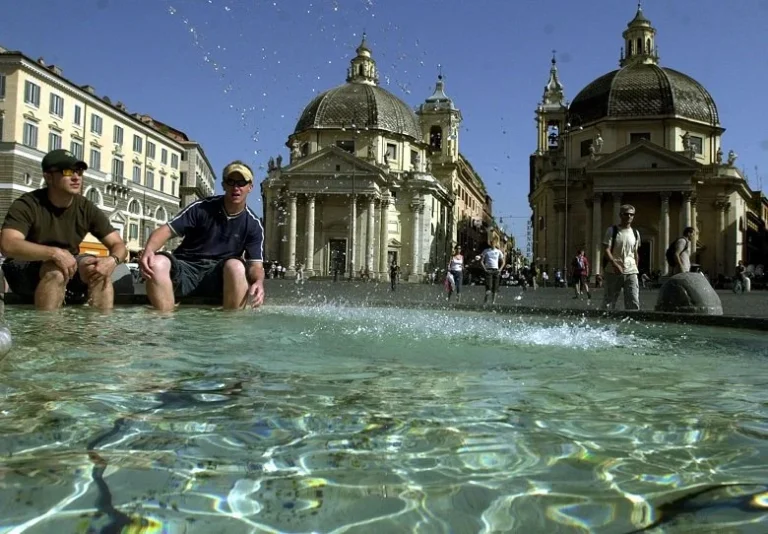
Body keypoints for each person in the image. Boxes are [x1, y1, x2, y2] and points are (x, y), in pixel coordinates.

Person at [0, 149, 127, 310]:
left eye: (79, 172)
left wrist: (111, 261)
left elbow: (119, 245)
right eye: (67, 172)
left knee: (97, 270)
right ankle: (49, 333)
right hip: (23, 268)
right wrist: (54, 253)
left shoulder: (86, 207)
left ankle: (101, 330)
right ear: (48, 177)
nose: (76, 177)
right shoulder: (27, 204)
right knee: (55, 270)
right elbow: (8, 244)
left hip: (69, 265)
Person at [139, 160, 265, 311]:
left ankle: (232, 329)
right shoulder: (201, 208)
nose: (236, 187)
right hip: (186, 268)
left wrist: (258, 281)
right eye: (230, 181)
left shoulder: (253, 224)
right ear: (224, 185)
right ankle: (164, 324)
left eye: (241, 182)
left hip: (219, 277)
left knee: (237, 267)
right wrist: (148, 251)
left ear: (250, 187)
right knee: (156, 263)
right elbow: (165, 231)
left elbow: (256, 266)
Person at [602, 204, 641, 310]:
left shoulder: (635, 233)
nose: (629, 216)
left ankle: (632, 323)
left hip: (631, 271)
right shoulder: (612, 231)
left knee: (633, 300)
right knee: (609, 302)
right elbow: (606, 250)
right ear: (620, 215)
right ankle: (606, 323)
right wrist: (614, 264)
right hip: (613, 271)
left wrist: (636, 266)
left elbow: (635, 252)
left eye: (631, 214)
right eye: (626, 214)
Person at [481, 238, 505, 304]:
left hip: (496, 270)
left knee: (495, 287)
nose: (493, 244)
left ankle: (493, 302)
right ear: (490, 243)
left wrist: (500, 270)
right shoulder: (486, 251)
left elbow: (503, 262)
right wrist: (485, 269)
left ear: (496, 243)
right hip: (488, 270)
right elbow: (481, 261)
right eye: (491, 243)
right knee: (489, 287)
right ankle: (485, 301)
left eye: (494, 243)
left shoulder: (498, 251)